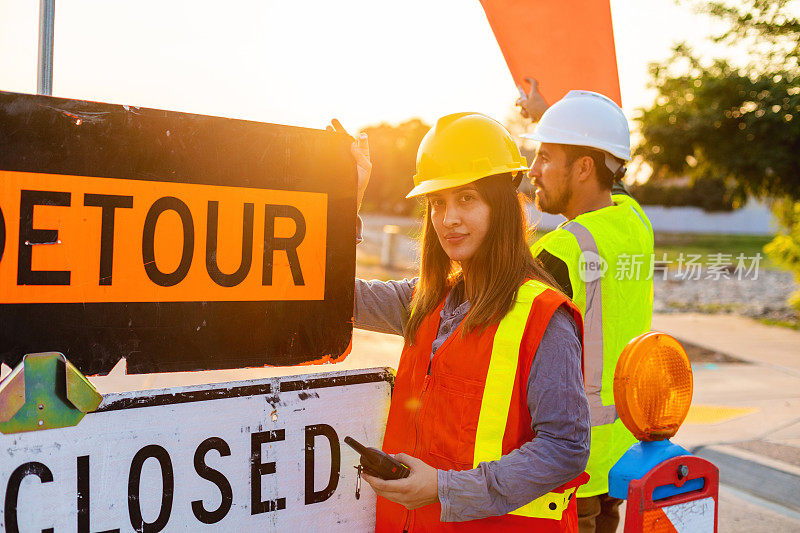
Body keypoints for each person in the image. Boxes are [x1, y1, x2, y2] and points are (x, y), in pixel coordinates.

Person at [342, 112, 591, 532]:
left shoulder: (544, 318)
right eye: (438, 202)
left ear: (503, 205)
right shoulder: (427, 301)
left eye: (467, 198)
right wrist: (344, 203)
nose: (448, 218)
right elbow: (334, 297)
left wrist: (444, 488)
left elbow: (566, 447)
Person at [517, 84, 655, 533]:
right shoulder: (635, 223)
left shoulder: (562, 251)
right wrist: (550, 117)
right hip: (623, 453)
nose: (533, 170)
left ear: (582, 167)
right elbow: (617, 177)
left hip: (572, 471)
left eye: (545, 157)